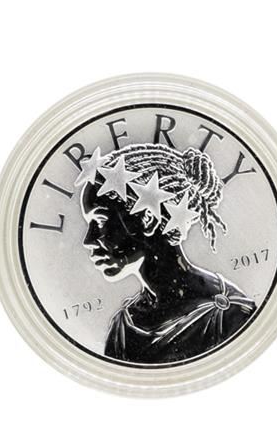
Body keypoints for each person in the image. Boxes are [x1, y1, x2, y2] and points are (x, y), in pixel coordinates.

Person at [76, 143, 256, 364]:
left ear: (148, 219)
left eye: (100, 221)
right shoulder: (123, 325)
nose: (88, 241)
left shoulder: (230, 313)